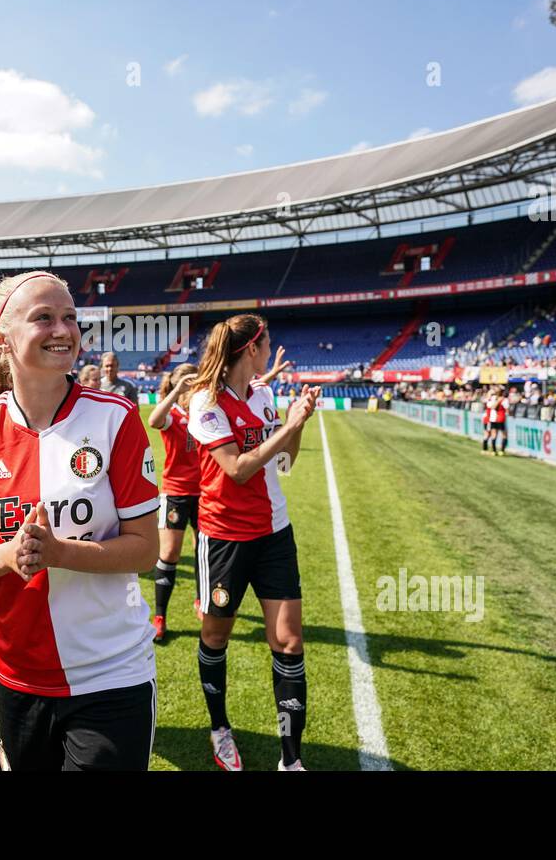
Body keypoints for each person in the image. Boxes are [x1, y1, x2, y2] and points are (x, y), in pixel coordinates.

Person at [0, 271, 160, 771]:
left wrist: (59, 553)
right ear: (1, 339)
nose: (64, 330)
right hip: (20, 675)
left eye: (70, 318)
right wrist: (9, 554)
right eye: (44, 318)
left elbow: (146, 549)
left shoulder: (115, 417)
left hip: (112, 671)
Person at [187, 314, 318, 771]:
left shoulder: (263, 395)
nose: (270, 351)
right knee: (214, 635)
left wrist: (296, 425)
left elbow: (283, 462)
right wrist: (290, 424)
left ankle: (290, 758)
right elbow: (237, 469)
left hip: (275, 533)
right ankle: (220, 727)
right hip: (224, 538)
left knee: (288, 641)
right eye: (267, 345)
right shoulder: (205, 402)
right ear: (252, 350)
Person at [147, 362, 200, 641]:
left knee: (205, 547)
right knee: (169, 554)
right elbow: (154, 421)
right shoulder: (174, 414)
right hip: (177, 492)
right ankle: (160, 616)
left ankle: (202, 600)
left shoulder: (205, 412)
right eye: (191, 385)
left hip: (206, 491)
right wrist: (177, 389)